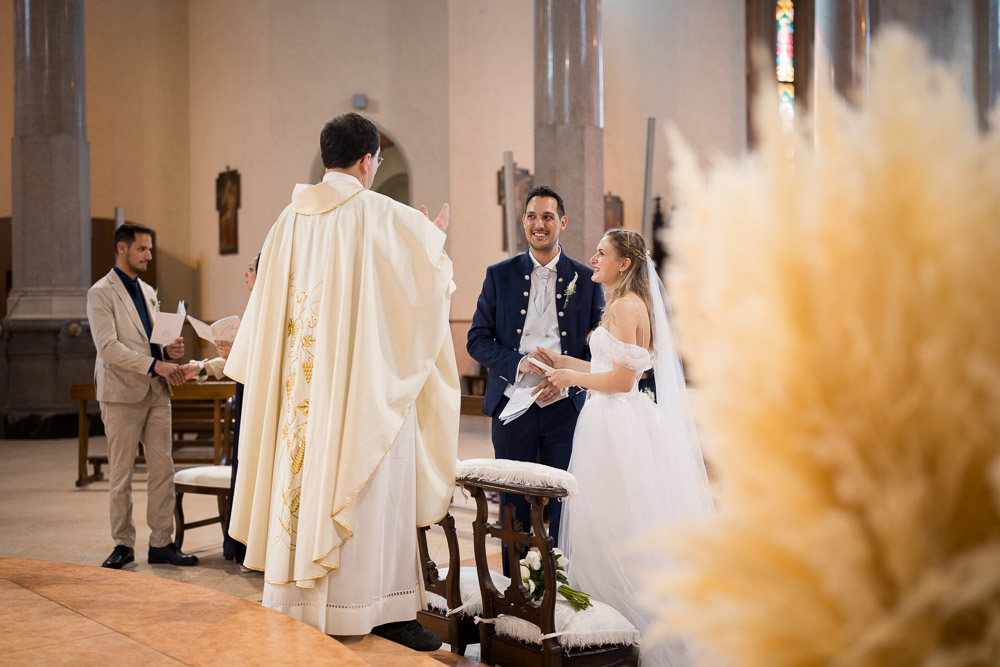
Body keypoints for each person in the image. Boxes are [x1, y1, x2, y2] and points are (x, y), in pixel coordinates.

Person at [224, 112, 459, 651]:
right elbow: (420, 293)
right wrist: (434, 243)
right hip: (361, 394)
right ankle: (379, 610)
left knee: (303, 485)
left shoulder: (286, 221)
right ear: (367, 160)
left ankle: (298, 602)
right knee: (374, 487)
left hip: (301, 397)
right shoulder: (383, 215)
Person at [541, 229, 714, 666]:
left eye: (602, 253)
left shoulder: (622, 306)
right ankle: (609, 625)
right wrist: (563, 362)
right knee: (612, 520)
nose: (593, 259)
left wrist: (570, 380)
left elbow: (621, 381)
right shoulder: (629, 305)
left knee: (611, 521)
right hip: (615, 419)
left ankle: (621, 627)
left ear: (624, 263)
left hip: (613, 425)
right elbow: (609, 367)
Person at [467, 185, 604, 574]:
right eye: (531, 216)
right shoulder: (500, 276)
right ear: (523, 221)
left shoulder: (586, 278)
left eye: (547, 217)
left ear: (561, 222)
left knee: (565, 503)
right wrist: (517, 361)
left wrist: (571, 379)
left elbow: (599, 349)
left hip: (565, 410)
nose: (538, 224)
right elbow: (476, 339)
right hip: (514, 407)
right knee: (513, 504)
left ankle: (558, 590)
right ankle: (514, 591)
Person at [87, 223, 199, 569]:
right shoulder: (101, 292)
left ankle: (162, 542)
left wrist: (169, 350)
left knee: (162, 469)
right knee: (121, 474)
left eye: (150, 249)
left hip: (156, 390)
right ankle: (123, 543)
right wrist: (156, 364)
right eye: (142, 249)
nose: (149, 255)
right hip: (121, 392)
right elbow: (108, 347)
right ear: (122, 248)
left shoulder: (148, 290)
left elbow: (150, 341)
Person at [183, 253, 259, 568]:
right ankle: (238, 542)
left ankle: (249, 545)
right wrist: (202, 367)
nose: (246, 273)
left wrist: (236, 349)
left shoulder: (269, 307)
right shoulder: (254, 308)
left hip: (258, 398)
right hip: (244, 392)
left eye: (252, 268)